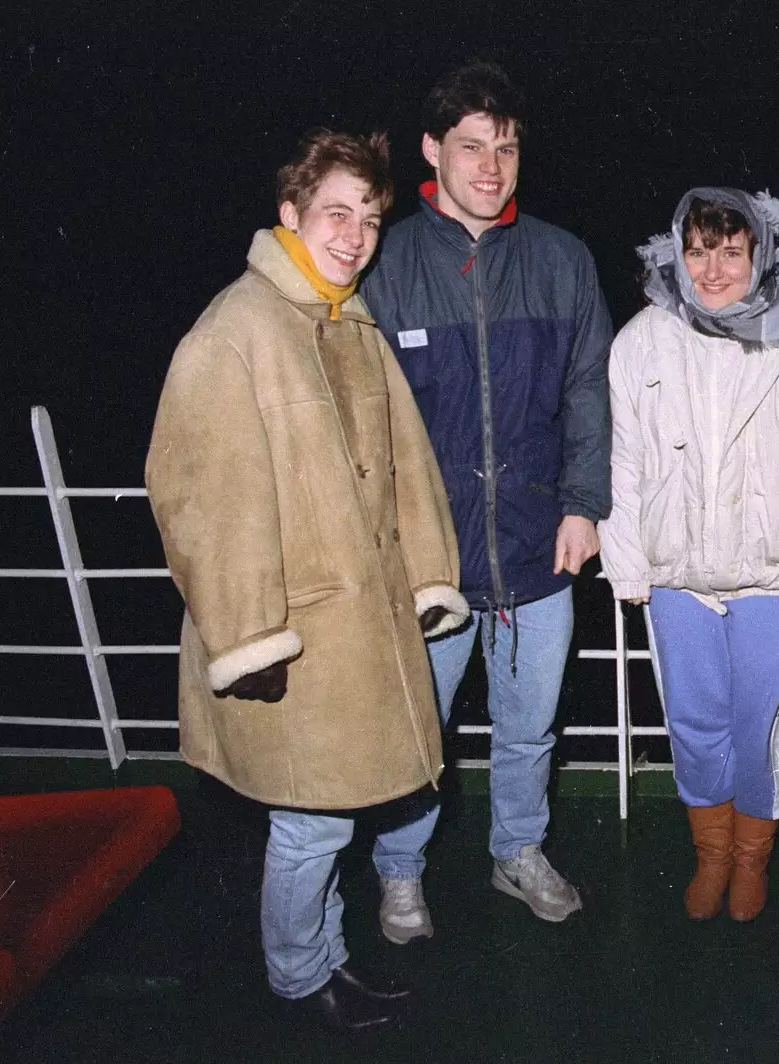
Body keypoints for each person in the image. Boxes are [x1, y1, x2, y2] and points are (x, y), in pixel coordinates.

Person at [145, 129, 471, 1030]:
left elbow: (407, 465)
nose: (356, 233)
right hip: (293, 634)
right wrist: (247, 635)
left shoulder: (341, 316)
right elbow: (195, 498)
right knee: (312, 823)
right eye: (337, 212)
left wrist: (427, 578)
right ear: (288, 213)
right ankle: (300, 980)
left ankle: (325, 964)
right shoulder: (238, 330)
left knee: (328, 816)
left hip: (357, 629)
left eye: (369, 218)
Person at [359, 62, 612, 933]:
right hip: (429, 559)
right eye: (472, 147)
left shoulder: (561, 259)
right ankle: (400, 869)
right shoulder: (386, 262)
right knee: (415, 729)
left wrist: (584, 502)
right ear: (433, 151)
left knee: (529, 726)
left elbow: (588, 390)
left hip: (539, 544)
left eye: (505, 147)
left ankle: (517, 850)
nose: (491, 165)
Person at [600, 189, 779, 922]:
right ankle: (711, 856)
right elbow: (622, 462)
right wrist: (627, 563)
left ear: (761, 254)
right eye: (698, 250)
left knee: (762, 724)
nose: (713, 268)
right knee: (691, 723)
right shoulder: (641, 340)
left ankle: (752, 858)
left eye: (730, 250)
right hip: (675, 573)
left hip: (775, 577)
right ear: (678, 256)